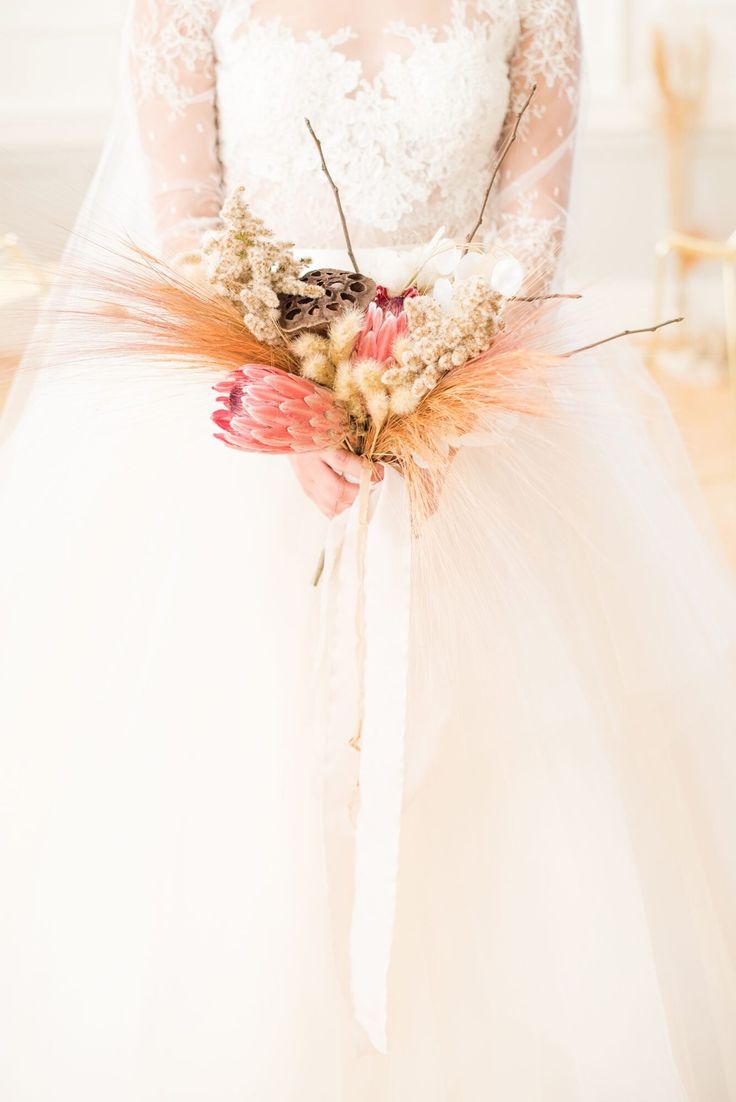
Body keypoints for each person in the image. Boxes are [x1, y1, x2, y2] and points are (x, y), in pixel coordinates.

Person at [1, 2, 735, 1098]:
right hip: (247, 412)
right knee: (241, 786)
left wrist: (432, 396)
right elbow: (192, 226)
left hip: (481, 420)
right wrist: (311, 406)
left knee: (521, 798)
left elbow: (528, 238)